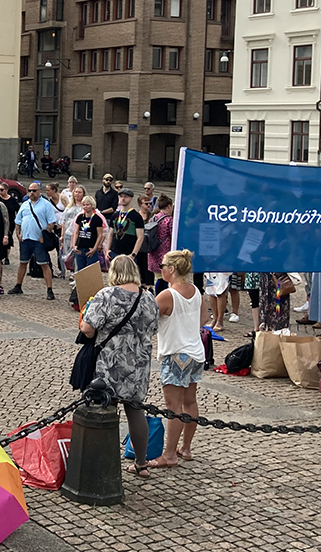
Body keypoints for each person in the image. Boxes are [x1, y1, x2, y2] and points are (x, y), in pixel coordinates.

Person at [80, 254, 157, 478]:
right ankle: (141, 464)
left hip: (110, 362)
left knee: (106, 408)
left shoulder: (107, 295)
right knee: (135, 411)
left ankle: (104, 463)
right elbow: (153, 329)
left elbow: (88, 329)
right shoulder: (149, 297)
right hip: (139, 363)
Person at [149, 250, 203, 468]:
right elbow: (204, 319)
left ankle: (169, 454)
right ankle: (186, 447)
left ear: (171, 269)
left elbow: (148, 317)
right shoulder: (195, 291)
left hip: (175, 353)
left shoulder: (167, 295)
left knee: (173, 406)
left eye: (162, 265)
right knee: (190, 401)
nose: (160, 268)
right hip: (196, 352)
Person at [8, 182, 59, 300]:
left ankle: (49, 289)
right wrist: (18, 234)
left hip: (39, 241)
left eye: (34, 190)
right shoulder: (25, 205)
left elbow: (51, 223)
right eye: (30, 190)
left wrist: (44, 235)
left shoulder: (46, 205)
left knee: (44, 264)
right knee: (22, 263)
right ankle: (18, 285)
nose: (32, 193)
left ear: (39, 191)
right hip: (25, 239)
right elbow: (18, 221)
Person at [106, 188, 144, 261]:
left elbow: (140, 237)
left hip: (128, 253)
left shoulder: (136, 216)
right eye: (121, 196)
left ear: (131, 198)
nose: (123, 199)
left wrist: (133, 254)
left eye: (126, 197)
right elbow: (110, 234)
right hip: (114, 252)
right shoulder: (115, 215)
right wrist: (107, 249)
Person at [70, 194, 105, 272]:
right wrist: (74, 245)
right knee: (80, 270)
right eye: (84, 205)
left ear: (92, 205)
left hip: (90, 247)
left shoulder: (97, 219)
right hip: (80, 247)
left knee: (90, 271)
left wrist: (95, 248)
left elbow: (100, 234)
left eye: (88, 205)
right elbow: (76, 232)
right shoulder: (80, 217)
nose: (85, 207)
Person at [146, 195, 175, 285]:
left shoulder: (153, 218)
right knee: (166, 279)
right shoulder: (169, 220)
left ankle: (158, 297)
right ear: (169, 206)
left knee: (158, 277)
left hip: (153, 251)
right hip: (165, 253)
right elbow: (172, 236)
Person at [0, 182, 20, 266]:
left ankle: (6, 257)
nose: (0, 191)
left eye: (2, 190)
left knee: (8, 238)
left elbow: (18, 210)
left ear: (6, 190)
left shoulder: (12, 200)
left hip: (10, 222)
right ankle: (0, 255)